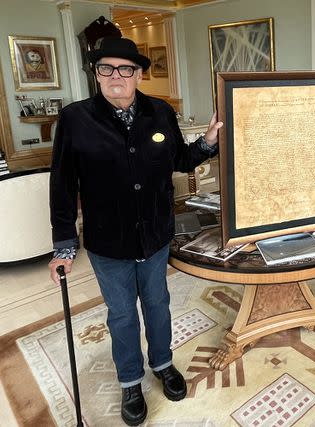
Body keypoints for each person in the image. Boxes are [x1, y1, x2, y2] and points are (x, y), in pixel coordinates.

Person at [48, 37, 223, 426]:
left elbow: (179, 158)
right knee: (123, 314)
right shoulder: (76, 119)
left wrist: (208, 143)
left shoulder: (160, 112)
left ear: (139, 75)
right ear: (96, 74)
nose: (116, 76)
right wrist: (63, 247)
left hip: (155, 234)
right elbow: (62, 185)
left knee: (158, 304)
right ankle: (130, 380)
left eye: (125, 69)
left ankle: (162, 363)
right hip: (108, 241)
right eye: (106, 68)